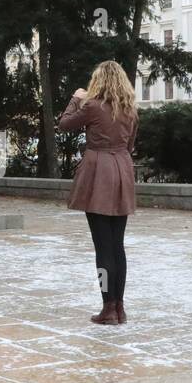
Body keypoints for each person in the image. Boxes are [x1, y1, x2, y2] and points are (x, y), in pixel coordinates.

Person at [59, 60, 138, 325]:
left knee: (102, 247)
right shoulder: (130, 109)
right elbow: (131, 143)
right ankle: (119, 307)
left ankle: (108, 308)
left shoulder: (92, 106)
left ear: (98, 81)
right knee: (117, 245)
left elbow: (65, 124)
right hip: (123, 172)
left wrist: (76, 98)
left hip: (99, 174)